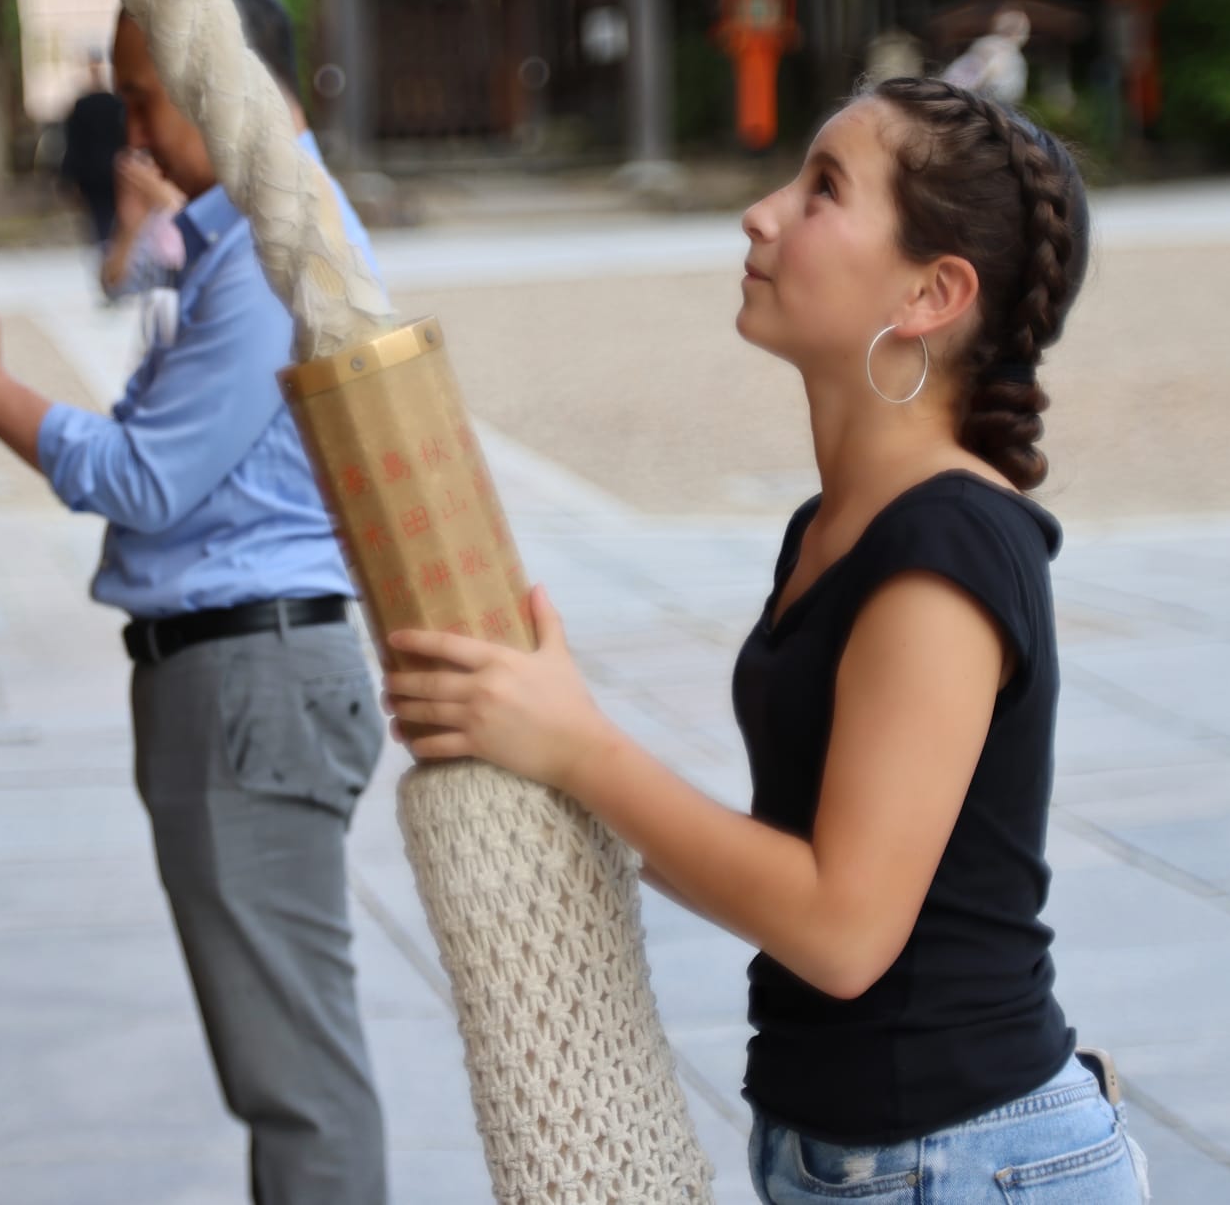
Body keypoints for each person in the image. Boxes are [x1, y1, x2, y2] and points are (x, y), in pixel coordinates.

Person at [384, 77, 1153, 1204]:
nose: (761, 212)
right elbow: (788, 866)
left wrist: (580, 747)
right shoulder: (835, 525)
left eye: (822, 189)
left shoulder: (945, 543)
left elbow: (841, 929)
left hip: (960, 1159)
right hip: (875, 1156)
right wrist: (530, 742)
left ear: (931, 292)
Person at [0, 0, 390, 1205]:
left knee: (295, 1077)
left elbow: (144, 477)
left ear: (226, 82)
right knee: (280, 1064)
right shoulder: (239, 234)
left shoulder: (277, 245)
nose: (129, 131)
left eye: (144, 98)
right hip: (235, 675)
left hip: (251, 678)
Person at [100, 148, 186, 361]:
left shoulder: (201, 204)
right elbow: (113, 285)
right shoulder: (146, 221)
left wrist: (169, 203)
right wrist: (130, 226)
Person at [58, 52, 126, 244]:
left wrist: (69, 177)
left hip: (98, 174)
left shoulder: (91, 105)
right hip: (109, 172)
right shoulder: (112, 104)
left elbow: (74, 143)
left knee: (104, 222)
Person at [944, 5, 1032, 106]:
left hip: (986, 107)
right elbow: (960, 82)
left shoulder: (1011, 55)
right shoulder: (992, 49)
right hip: (984, 107)